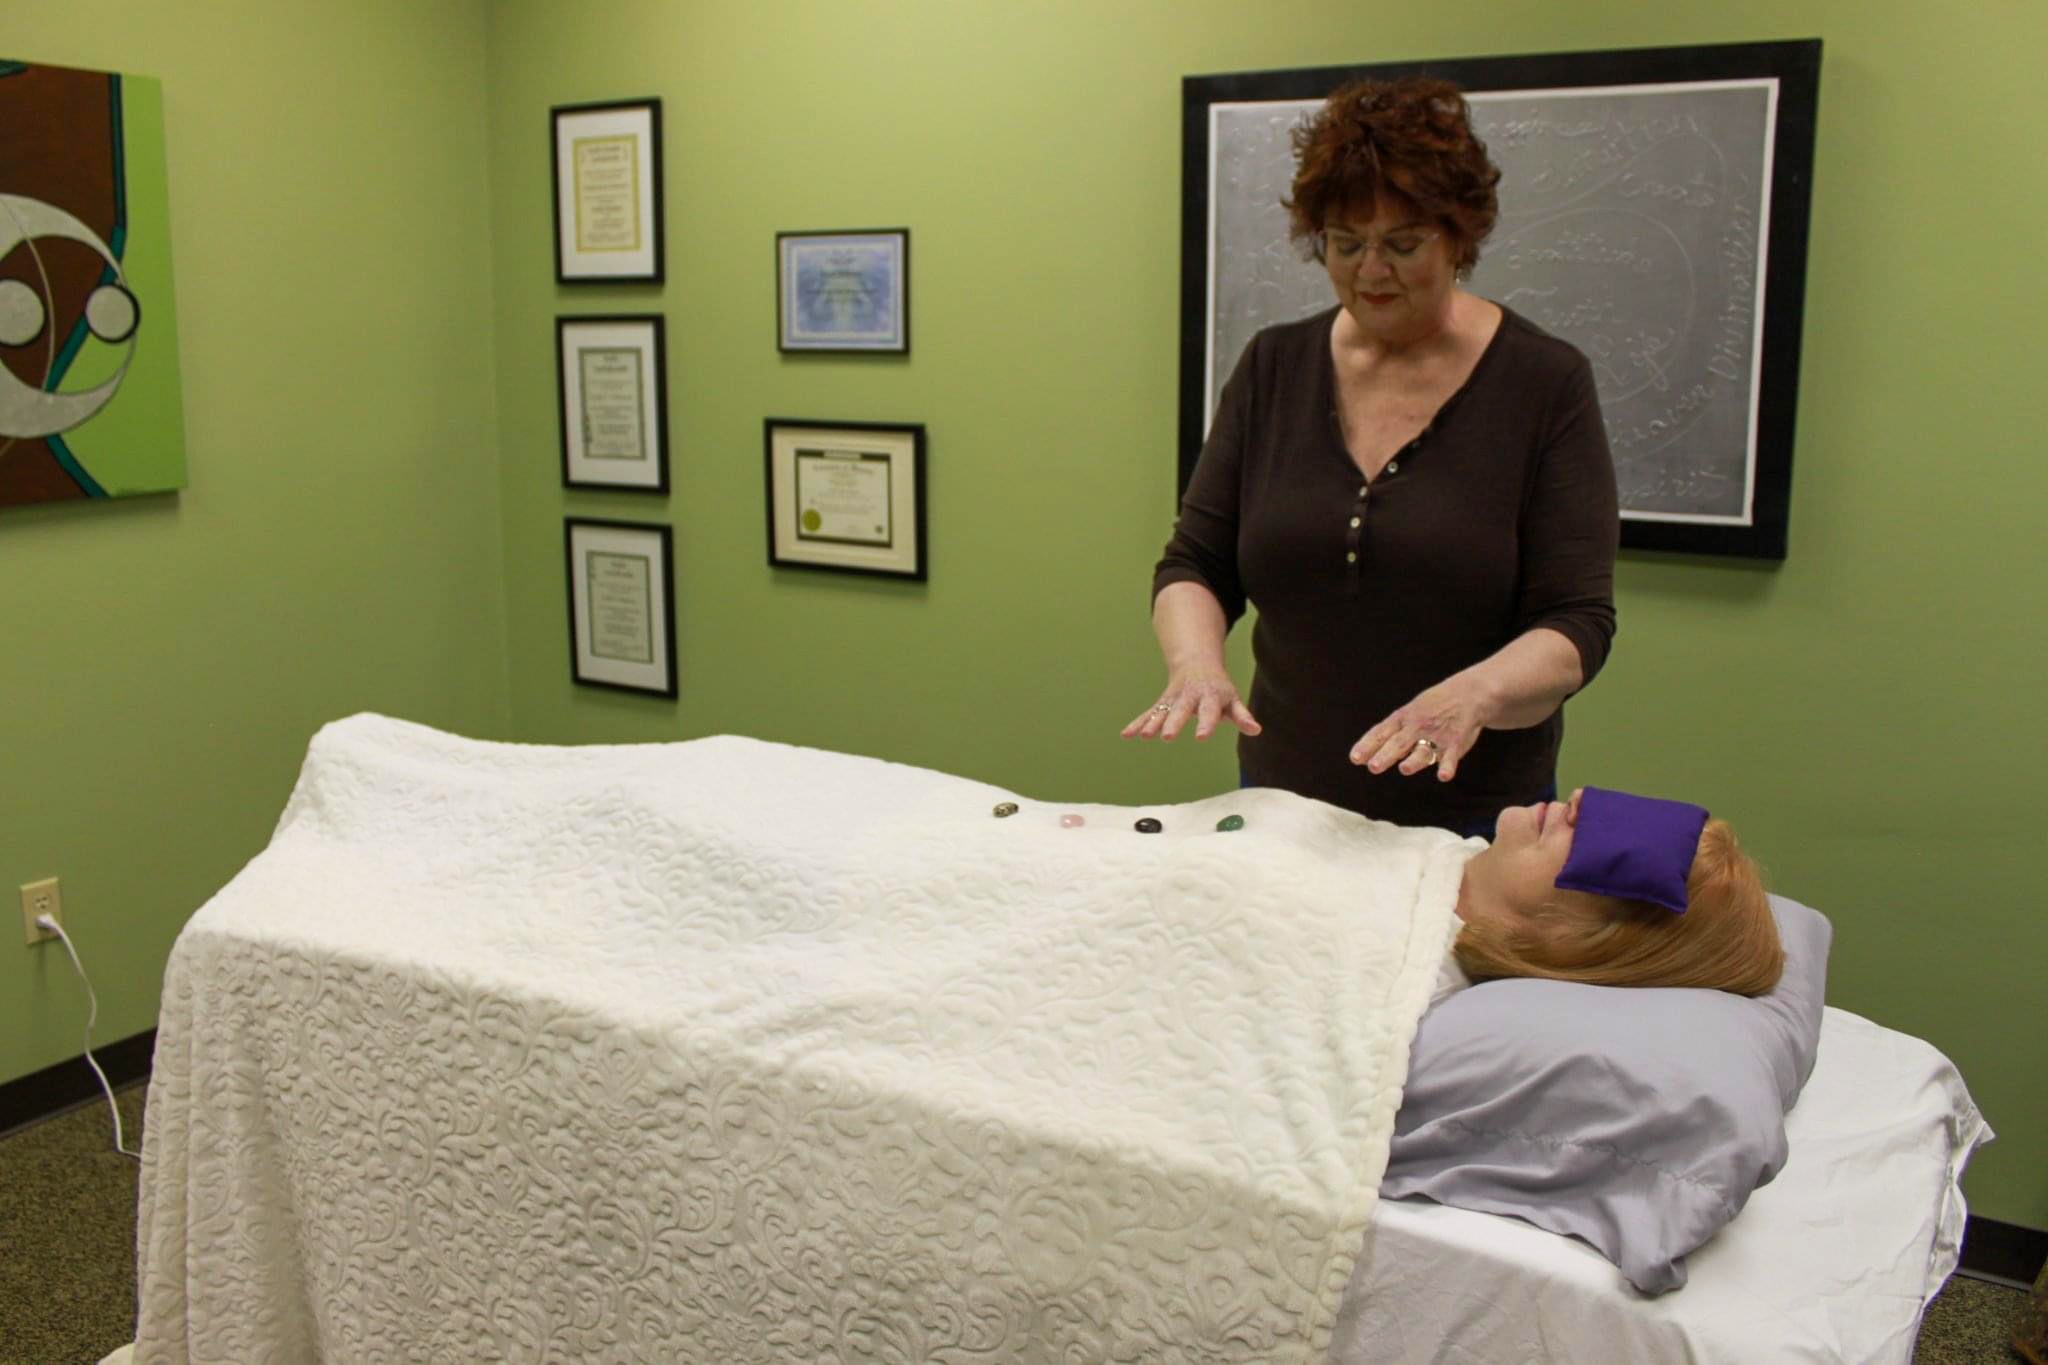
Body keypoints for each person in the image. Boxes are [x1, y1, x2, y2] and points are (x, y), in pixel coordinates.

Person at [1127, 76, 1619, 838]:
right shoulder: (1273, 366)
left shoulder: (1544, 382)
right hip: (1284, 802)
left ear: (1460, 238)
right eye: (1345, 244)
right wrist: (1195, 662)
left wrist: (1474, 696)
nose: (1370, 272)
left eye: (1401, 244)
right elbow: (1196, 562)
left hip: (1473, 815)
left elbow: (1575, 622)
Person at [1443, 787, 1782, 999]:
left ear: (1576, 945)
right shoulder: (1436, 851)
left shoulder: (1409, 979)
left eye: (1620, 850)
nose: (1580, 800)